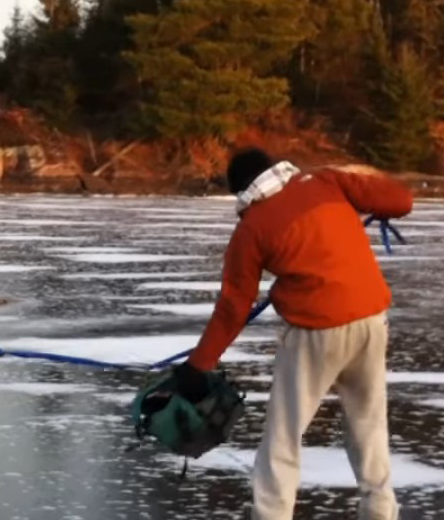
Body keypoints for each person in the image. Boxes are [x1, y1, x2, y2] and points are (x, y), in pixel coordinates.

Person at [173, 148, 413, 520]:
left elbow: (234, 306)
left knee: (283, 438)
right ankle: (381, 511)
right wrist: (348, 179)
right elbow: (401, 201)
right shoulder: (325, 182)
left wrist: (197, 366)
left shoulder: (252, 228)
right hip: (370, 319)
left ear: (241, 189)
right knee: (368, 426)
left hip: (316, 332)